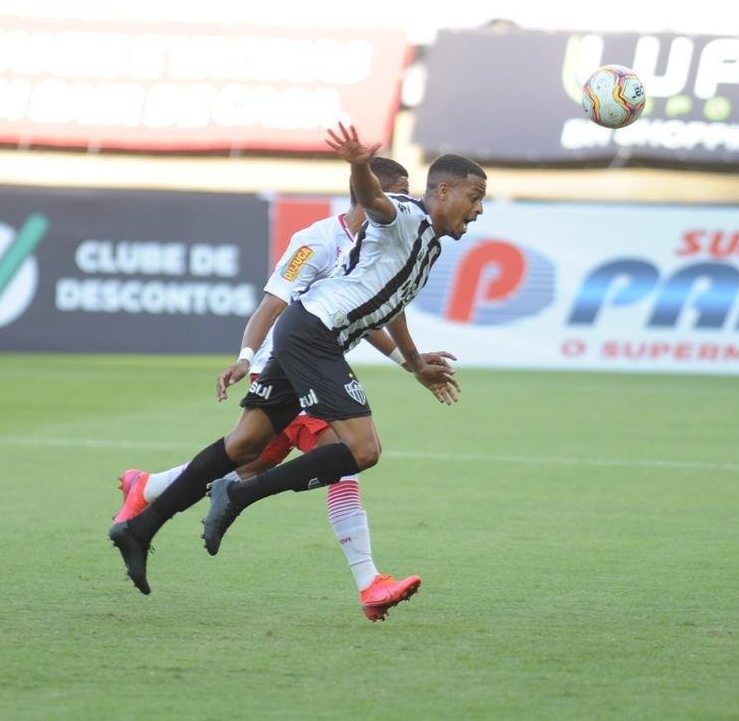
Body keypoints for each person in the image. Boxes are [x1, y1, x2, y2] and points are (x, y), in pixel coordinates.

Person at [109, 123, 485, 601]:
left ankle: (141, 527)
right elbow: (377, 202)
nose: (478, 210)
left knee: (244, 445)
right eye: (474, 197)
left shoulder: (425, 241)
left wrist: (413, 362)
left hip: (307, 334)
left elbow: (391, 304)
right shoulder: (406, 216)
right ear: (444, 190)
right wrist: (358, 165)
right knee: (362, 451)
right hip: (314, 334)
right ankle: (240, 495)